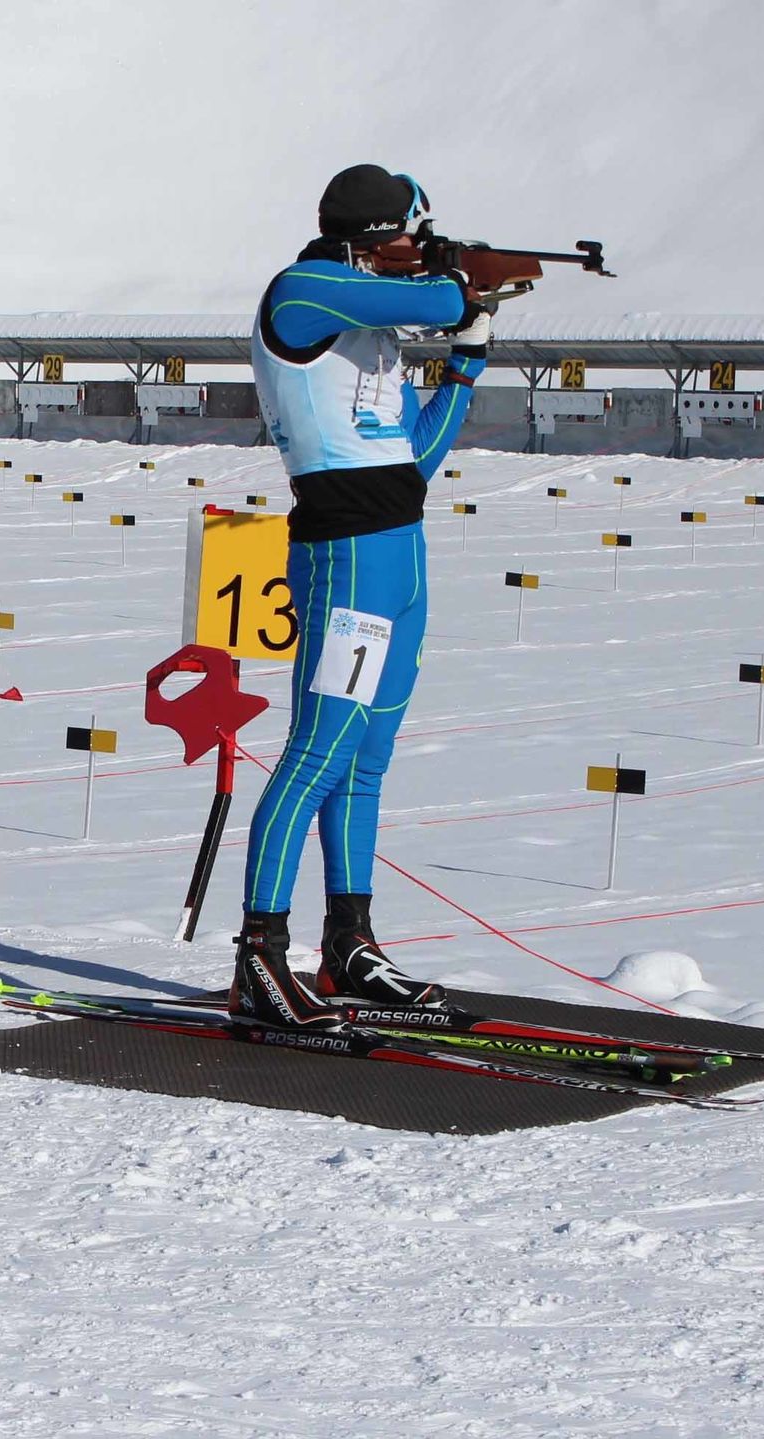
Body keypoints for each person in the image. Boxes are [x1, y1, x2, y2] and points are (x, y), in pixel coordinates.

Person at [230, 164, 492, 1025]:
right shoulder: (304, 290)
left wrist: (470, 357)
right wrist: (459, 288)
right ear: (376, 234)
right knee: (317, 748)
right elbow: (441, 299)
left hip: (399, 552)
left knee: (367, 759)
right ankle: (262, 960)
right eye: (412, 234)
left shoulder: (366, 322)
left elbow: (412, 456)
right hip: (344, 558)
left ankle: (350, 945)